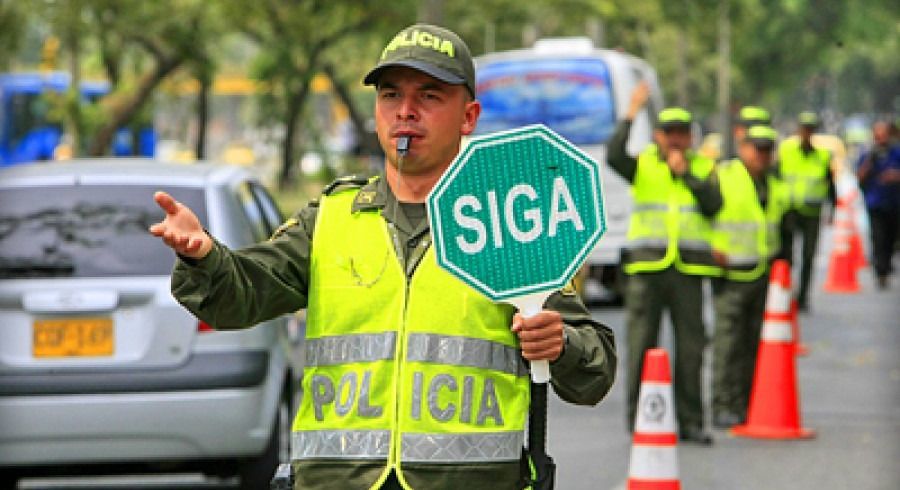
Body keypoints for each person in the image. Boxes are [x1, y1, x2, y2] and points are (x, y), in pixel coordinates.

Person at [149, 23, 617, 490]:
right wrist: (205, 256)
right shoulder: (331, 218)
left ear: (468, 117)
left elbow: (595, 370)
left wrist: (560, 346)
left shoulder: (507, 222)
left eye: (429, 97)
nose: (406, 112)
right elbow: (238, 296)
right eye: (391, 95)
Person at [607, 82, 722, 445]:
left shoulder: (704, 167)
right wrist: (630, 112)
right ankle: (640, 419)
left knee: (691, 348)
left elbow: (714, 205)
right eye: (669, 133)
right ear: (658, 136)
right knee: (642, 345)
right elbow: (613, 155)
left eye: (682, 134)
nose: (676, 140)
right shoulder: (642, 164)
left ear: (691, 137)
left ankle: (690, 421)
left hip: (688, 270)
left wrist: (685, 173)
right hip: (647, 271)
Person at [711, 125, 788, 428]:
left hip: (763, 274)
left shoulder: (774, 183)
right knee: (728, 344)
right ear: (743, 148)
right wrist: (711, 250)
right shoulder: (725, 176)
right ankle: (722, 404)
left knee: (753, 344)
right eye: (757, 148)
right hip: (731, 275)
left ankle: (745, 403)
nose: (763, 155)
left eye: (768, 149)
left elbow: (780, 229)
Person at [776, 111, 835, 310]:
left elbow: (829, 184)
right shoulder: (786, 151)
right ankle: (784, 293)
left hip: (812, 213)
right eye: (804, 129)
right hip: (789, 211)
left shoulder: (822, 156)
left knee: (809, 256)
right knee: (786, 256)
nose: (807, 133)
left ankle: (803, 297)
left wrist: (832, 209)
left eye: (811, 130)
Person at [855, 120, 900, 289]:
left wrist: (894, 176)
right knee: (878, 236)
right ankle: (880, 270)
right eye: (878, 134)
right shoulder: (867, 154)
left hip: (894, 203)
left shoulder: (896, 152)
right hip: (875, 202)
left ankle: (887, 265)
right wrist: (869, 163)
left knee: (891, 238)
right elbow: (859, 177)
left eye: (884, 134)